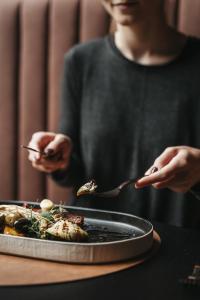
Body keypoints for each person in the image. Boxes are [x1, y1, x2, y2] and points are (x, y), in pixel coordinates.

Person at [27, 0, 200, 229]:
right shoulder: (80, 61)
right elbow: (76, 173)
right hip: (92, 239)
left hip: (179, 245)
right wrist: (58, 159)